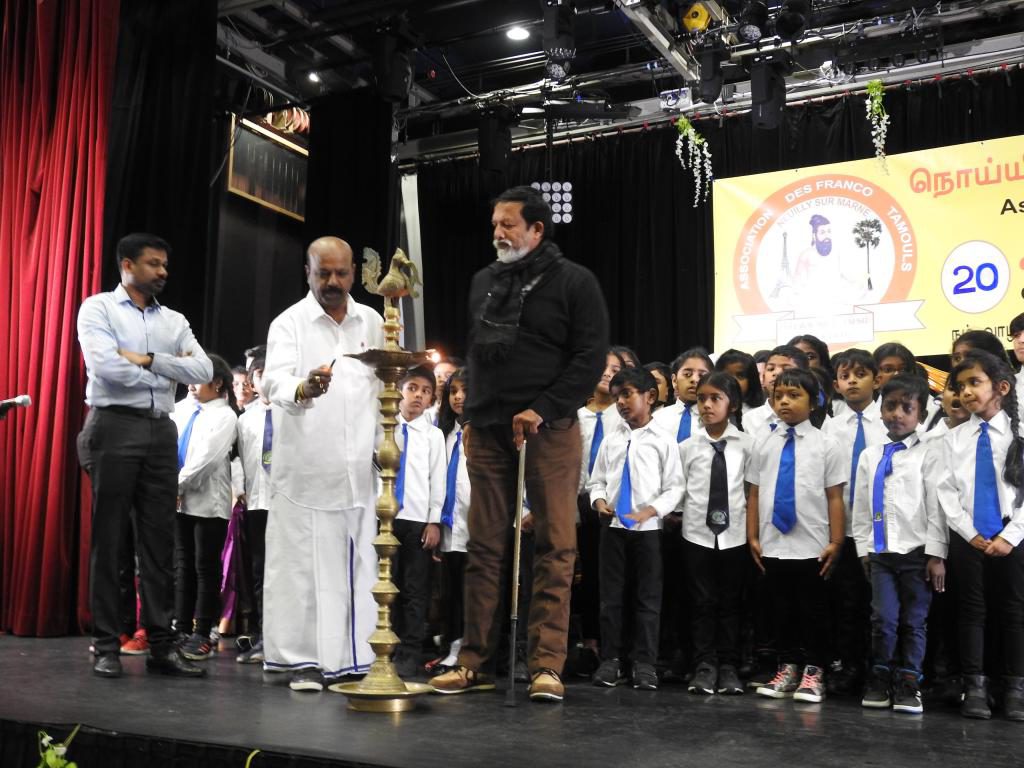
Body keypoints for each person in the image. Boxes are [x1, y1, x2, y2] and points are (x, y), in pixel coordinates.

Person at [429, 185, 608, 702]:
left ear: (537, 229)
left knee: (555, 545)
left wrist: (543, 407)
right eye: (495, 225)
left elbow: (589, 358)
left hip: (548, 428)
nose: (498, 233)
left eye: (508, 224)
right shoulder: (484, 281)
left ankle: (546, 665)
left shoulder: (575, 282)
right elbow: (477, 355)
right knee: (484, 545)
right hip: (488, 428)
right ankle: (473, 662)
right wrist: (471, 417)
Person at [76, 232, 212, 679]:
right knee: (110, 540)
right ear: (127, 265)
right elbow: (105, 368)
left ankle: (161, 646)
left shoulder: (174, 320)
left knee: (159, 543)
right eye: (153, 263)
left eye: (165, 265)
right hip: (113, 425)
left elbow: (203, 369)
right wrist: (167, 371)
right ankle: (106, 645)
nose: (163, 272)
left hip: (159, 431)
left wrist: (150, 360)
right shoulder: (99, 308)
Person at [260, 235, 384, 692]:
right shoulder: (289, 323)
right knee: (301, 574)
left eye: (341, 273)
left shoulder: (373, 320)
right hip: (305, 472)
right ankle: (303, 662)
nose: (333, 281)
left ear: (354, 274)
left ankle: (357, 659)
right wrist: (305, 387)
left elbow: (384, 388)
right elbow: (273, 382)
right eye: (323, 273)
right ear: (307, 273)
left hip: (359, 473)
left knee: (360, 568)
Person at [747, 368, 845, 703]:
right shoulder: (763, 443)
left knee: (813, 609)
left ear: (814, 402)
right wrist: (753, 535)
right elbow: (755, 492)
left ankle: (814, 671)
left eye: (794, 395)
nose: (785, 402)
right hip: (773, 540)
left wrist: (836, 541)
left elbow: (834, 496)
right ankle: (787, 666)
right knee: (781, 607)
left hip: (812, 542)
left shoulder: (826, 444)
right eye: (779, 396)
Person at [936, 350, 1024, 721]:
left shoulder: (1019, 435)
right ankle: (975, 684)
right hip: (969, 537)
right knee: (971, 611)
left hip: (1012, 536)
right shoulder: (954, 439)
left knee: (1014, 611)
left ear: (1001, 388)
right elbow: (946, 491)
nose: (966, 392)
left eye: (975, 382)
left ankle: (1015, 687)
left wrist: (1011, 535)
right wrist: (969, 532)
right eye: (960, 386)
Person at [852, 374, 947, 714]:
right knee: (883, 618)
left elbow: (936, 507)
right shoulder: (870, 456)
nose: (897, 414)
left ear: (921, 414)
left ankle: (909, 681)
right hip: (881, 554)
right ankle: (880, 676)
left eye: (907, 408)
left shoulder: (929, 454)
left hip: (917, 554)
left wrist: (936, 554)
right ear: (880, 411)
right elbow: (861, 506)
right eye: (890, 406)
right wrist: (863, 550)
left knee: (914, 621)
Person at [588, 367, 683, 691]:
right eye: (617, 397)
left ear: (650, 396)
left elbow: (675, 487)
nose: (621, 403)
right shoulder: (612, 440)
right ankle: (611, 659)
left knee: (648, 598)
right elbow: (596, 480)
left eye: (627, 395)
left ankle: (644, 662)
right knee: (611, 598)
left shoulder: (663, 440)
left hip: (648, 530)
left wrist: (650, 511)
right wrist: (599, 500)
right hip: (613, 528)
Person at [679, 372, 754, 696]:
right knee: (702, 602)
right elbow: (680, 489)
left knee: (731, 603)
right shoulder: (687, 447)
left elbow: (751, 491)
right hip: (696, 534)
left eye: (715, 399)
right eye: (702, 399)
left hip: (735, 535)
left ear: (732, 404)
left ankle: (729, 665)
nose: (707, 405)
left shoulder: (747, 446)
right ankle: (704, 665)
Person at [821, 348, 886, 694]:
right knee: (847, 602)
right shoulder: (830, 427)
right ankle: (849, 666)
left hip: (882, 530)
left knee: (881, 606)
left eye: (860, 375)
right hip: (842, 529)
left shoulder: (889, 421)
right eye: (845, 376)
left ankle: (880, 669)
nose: (852, 382)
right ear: (835, 385)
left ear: (877, 380)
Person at [172, 354, 239, 660]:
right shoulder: (182, 409)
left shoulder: (225, 416)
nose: (190, 384)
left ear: (218, 383)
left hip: (208, 503)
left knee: (205, 567)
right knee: (183, 565)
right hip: (179, 500)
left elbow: (207, 460)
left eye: (197, 378)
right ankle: (181, 628)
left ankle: (202, 633)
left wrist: (175, 485)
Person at [574, 349, 627, 674]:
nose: (607, 372)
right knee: (585, 576)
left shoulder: (622, 416)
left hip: (613, 502)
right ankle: (588, 642)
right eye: (603, 366)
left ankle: (613, 647)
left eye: (615, 368)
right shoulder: (576, 415)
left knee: (610, 576)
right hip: (578, 500)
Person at [391, 366, 446, 678]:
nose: (418, 395)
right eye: (412, 388)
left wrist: (434, 521)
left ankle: (409, 651)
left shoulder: (433, 435)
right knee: (388, 586)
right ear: (399, 390)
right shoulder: (386, 427)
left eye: (426, 391)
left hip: (416, 519)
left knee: (415, 589)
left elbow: (437, 480)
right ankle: (385, 646)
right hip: (386, 518)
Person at [233, 354, 273, 663]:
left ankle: (288, 638)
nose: (266, 379)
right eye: (259, 374)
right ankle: (262, 635)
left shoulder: (295, 413)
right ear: (252, 382)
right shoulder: (245, 419)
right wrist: (240, 487)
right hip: (258, 503)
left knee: (289, 572)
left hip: (289, 503)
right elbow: (236, 458)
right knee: (260, 572)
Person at [434, 368, 471, 672]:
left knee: (475, 590)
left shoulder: (485, 433)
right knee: (451, 590)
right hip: (449, 525)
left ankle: (474, 649)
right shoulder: (442, 434)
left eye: (465, 390)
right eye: (453, 391)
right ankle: (454, 644)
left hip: (476, 524)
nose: (458, 397)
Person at [743, 345, 809, 439]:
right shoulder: (749, 420)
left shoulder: (814, 417)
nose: (776, 373)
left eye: (786, 369)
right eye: (770, 369)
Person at [714, 349, 765, 417]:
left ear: (751, 380)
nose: (733, 381)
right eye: (727, 375)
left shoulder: (759, 414)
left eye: (740, 376)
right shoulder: (708, 408)